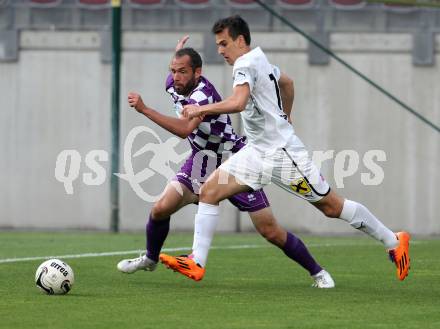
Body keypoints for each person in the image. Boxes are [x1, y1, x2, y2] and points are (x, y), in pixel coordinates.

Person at [160, 16, 411, 283]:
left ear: (240, 40)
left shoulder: (244, 63)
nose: (220, 50)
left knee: (331, 206)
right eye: (219, 45)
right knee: (210, 191)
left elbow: (238, 102)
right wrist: (285, 115)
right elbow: (288, 83)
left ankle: (393, 240)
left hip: (282, 155)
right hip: (257, 151)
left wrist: (201, 108)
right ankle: (196, 262)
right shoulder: (260, 59)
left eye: (224, 44)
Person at [116, 36, 335, 288]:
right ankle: (151, 259)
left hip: (234, 158)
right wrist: (179, 53)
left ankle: (318, 273)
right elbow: (180, 73)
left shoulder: (203, 97)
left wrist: (145, 110)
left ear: (198, 73)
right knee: (160, 208)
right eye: (173, 71)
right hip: (201, 161)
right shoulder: (174, 84)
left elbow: (185, 129)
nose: (176, 77)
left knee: (269, 230)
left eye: (183, 72)